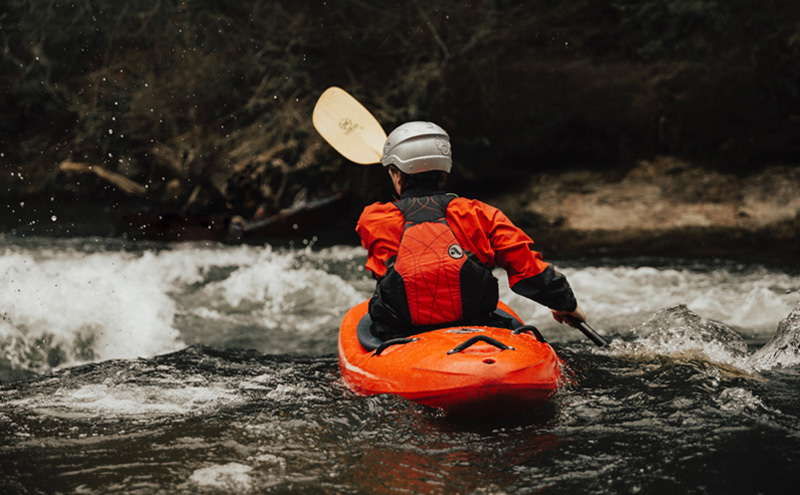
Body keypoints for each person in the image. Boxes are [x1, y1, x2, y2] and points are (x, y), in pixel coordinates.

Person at [356, 121, 587, 340]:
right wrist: (566, 305)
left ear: (396, 174)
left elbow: (382, 269)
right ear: (445, 171)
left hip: (401, 334)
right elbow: (530, 272)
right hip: (477, 328)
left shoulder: (373, 219)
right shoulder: (481, 214)